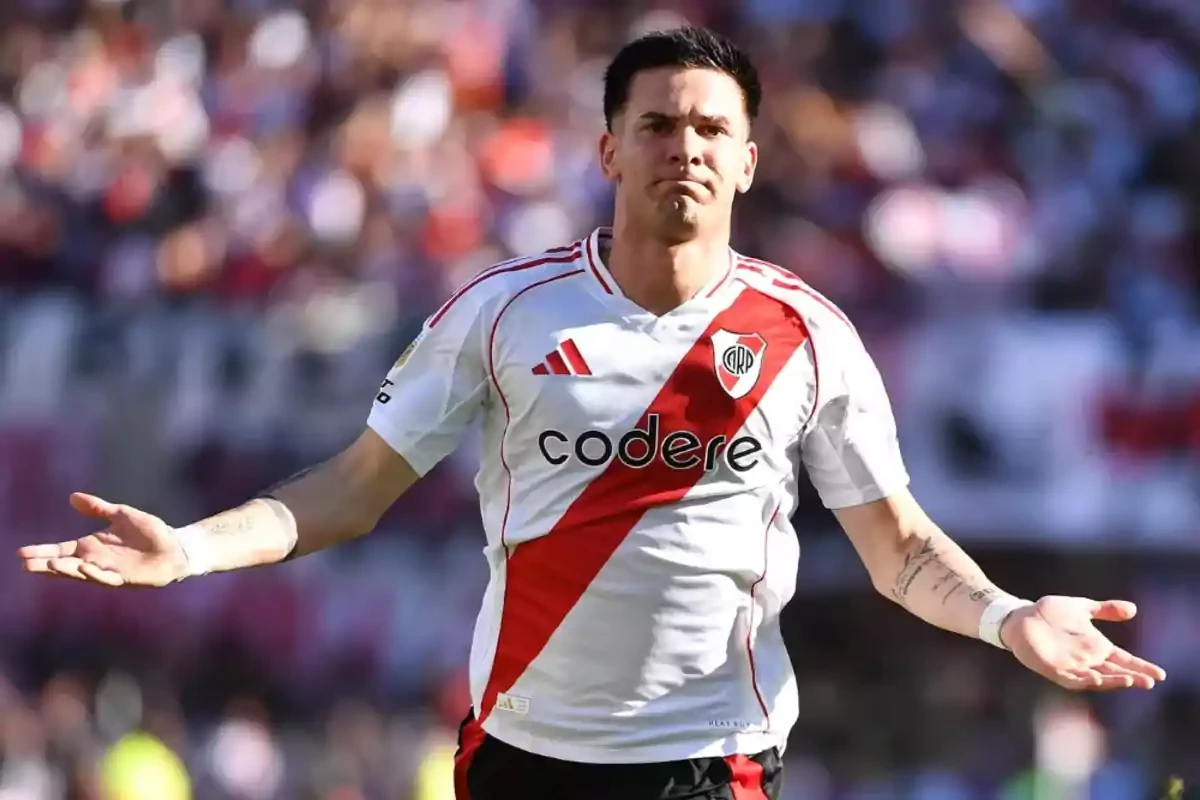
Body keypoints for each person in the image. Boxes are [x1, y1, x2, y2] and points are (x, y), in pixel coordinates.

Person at [18, 26, 1165, 800]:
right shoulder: (502, 313)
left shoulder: (809, 334)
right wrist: (190, 550)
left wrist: (1009, 615)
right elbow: (354, 488)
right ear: (611, 150)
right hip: (521, 751)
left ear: (749, 161)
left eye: (711, 130)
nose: (686, 149)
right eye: (659, 126)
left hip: (713, 757)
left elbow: (899, 547)